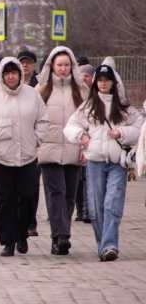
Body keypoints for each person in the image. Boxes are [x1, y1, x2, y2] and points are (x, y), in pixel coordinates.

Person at [64, 64, 142, 261]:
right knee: (96, 206)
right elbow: (70, 126)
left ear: (114, 83)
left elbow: (140, 128)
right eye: (100, 79)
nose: (104, 83)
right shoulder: (88, 106)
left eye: (107, 79)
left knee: (112, 202)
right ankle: (104, 245)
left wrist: (122, 133)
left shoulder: (124, 107)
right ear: (96, 82)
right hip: (95, 161)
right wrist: (81, 136)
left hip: (117, 162)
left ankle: (109, 245)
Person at [0, 57, 48, 257]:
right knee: (5, 200)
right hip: (0, 157)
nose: (10, 76)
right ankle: (8, 241)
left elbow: (43, 120)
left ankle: (22, 233)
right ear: (1, 75)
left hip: (27, 155)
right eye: (6, 73)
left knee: (28, 197)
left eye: (14, 72)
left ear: (20, 74)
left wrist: (37, 139)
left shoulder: (32, 95)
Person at [36, 46, 89, 255]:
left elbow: (89, 120)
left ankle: (58, 237)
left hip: (74, 150)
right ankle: (62, 235)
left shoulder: (82, 91)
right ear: (52, 66)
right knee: (55, 192)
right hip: (48, 149)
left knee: (69, 195)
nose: (63, 69)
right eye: (59, 65)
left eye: (67, 65)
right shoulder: (42, 90)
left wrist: (87, 144)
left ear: (72, 66)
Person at [17, 49, 41, 237]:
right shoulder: (9, 83)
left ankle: (31, 221)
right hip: (12, 143)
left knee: (32, 186)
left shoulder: (40, 84)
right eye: (22, 62)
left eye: (28, 62)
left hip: (33, 143)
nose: (25, 65)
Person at [74, 63, 95, 223]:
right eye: (81, 75)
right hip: (76, 140)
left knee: (88, 179)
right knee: (78, 181)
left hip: (91, 142)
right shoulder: (75, 92)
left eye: (87, 76)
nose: (83, 78)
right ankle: (80, 210)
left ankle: (87, 211)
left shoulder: (95, 94)